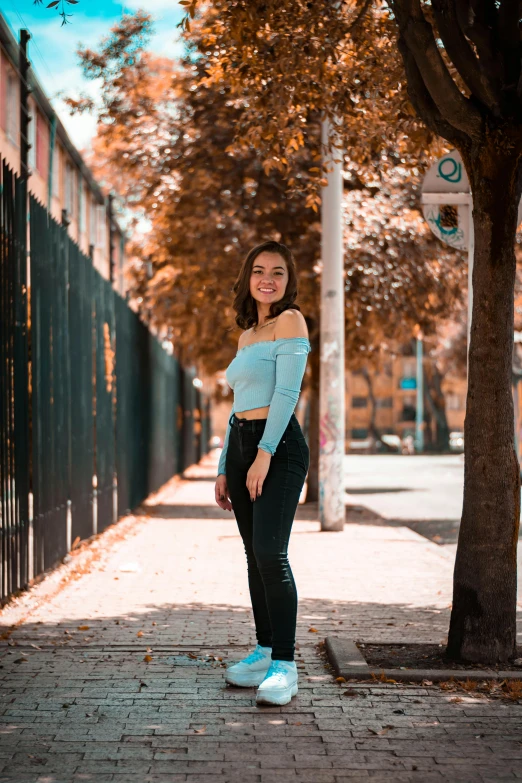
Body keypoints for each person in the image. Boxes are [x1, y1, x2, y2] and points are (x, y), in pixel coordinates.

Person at [215, 240, 311, 706]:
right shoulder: (246, 336)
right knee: (255, 556)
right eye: (258, 270)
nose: (267, 278)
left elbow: (287, 394)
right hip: (240, 446)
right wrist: (223, 465)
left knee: (271, 552)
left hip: (279, 448)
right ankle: (264, 650)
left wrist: (265, 453)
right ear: (247, 278)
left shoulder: (290, 322)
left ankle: (285, 666)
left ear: (288, 279)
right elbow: (237, 405)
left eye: (277, 271)